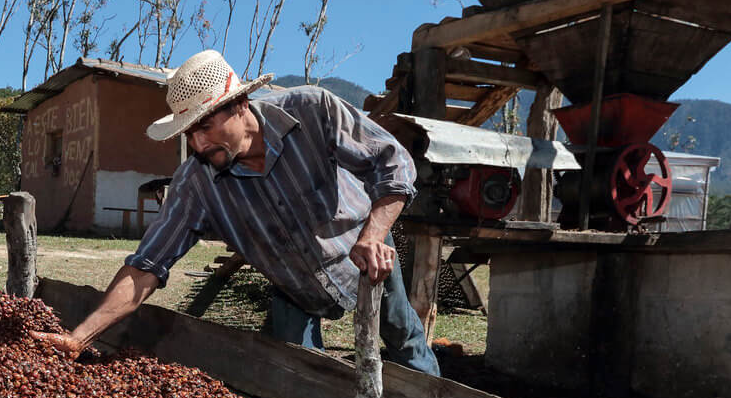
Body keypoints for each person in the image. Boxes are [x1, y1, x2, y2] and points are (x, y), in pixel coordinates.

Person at [32, 49, 441, 375]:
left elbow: (394, 164)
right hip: (292, 285)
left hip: (365, 255)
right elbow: (145, 268)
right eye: (188, 134)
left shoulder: (313, 111)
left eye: (204, 127)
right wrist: (78, 338)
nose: (197, 144)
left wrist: (372, 234)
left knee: (404, 339)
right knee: (302, 375)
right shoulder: (196, 183)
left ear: (241, 105)